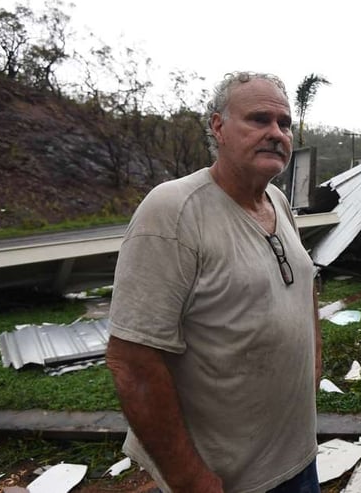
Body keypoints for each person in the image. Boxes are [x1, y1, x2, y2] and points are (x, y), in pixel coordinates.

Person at [105, 71, 322, 493]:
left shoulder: (278, 200)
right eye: (259, 119)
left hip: (298, 458)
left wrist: (312, 364)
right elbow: (131, 361)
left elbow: (302, 284)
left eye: (284, 123)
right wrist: (191, 480)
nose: (276, 133)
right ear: (218, 127)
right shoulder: (174, 210)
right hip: (230, 479)